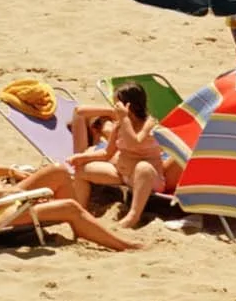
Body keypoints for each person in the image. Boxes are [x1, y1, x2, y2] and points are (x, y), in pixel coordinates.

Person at [0, 91, 139, 251]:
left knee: (58, 171)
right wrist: (22, 194)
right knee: (70, 206)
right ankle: (123, 244)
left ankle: (81, 223)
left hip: (1, 204)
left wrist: (13, 176)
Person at [69, 82, 173, 230]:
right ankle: (81, 212)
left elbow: (134, 143)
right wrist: (80, 158)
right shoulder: (119, 123)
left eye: (117, 103)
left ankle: (133, 216)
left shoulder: (149, 123)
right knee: (81, 171)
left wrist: (124, 118)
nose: (115, 107)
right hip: (122, 174)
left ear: (129, 105)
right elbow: (107, 153)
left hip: (148, 179)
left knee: (143, 167)